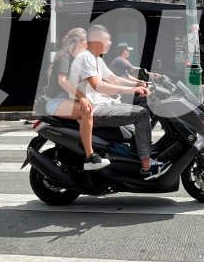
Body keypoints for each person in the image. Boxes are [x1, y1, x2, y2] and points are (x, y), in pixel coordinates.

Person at [70, 25, 168, 180]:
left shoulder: (96, 60)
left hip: (102, 104)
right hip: (94, 109)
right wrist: (131, 90)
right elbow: (98, 85)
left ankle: (134, 156)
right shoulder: (85, 57)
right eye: (106, 39)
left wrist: (140, 85)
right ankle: (147, 165)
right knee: (142, 114)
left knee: (137, 110)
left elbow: (114, 79)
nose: (109, 43)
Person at [44, 28, 109, 171]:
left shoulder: (80, 60)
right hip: (57, 102)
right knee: (87, 111)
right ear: (80, 42)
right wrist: (82, 98)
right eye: (87, 42)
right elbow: (63, 81)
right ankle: (90, 156)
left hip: (69, 100)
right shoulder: (65, 57)